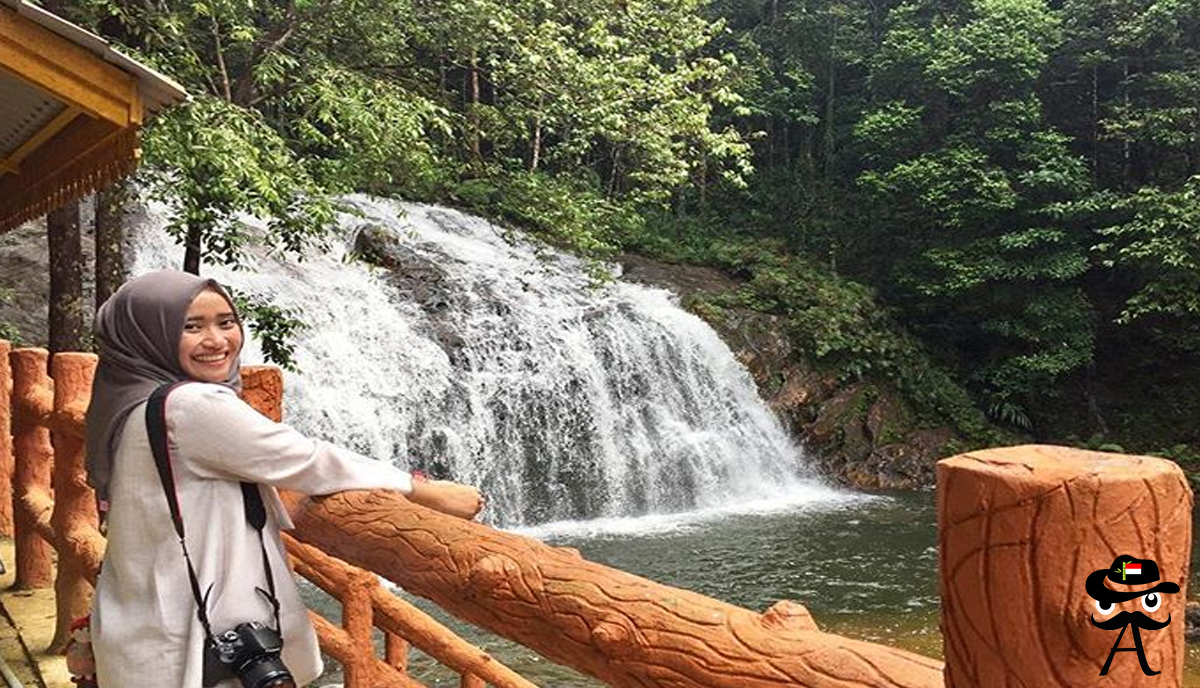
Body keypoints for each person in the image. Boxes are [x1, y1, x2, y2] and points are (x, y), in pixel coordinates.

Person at [83, 269, 483, 688]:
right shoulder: (189, 405)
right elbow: (306, 460)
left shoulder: (129, 398)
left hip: (143, 623)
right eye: (191, 326)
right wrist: (423, 490)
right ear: (150, 334)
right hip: (199, 640)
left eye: (226, 322)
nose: (218, 341)